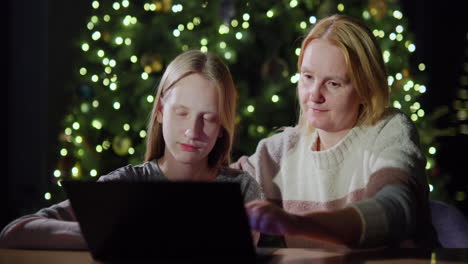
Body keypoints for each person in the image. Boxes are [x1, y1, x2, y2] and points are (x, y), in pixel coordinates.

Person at [0, 50, 262, 249]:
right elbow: (16, 231)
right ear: (160, 111)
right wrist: (111, 232)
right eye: (181, 113)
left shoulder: (242, 190)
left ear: (223, 126)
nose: (193, 131)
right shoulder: (124, 185)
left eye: (209, 118)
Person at [232, 14, 439, 248]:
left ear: (365, 89)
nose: (314, 95)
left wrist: (298, 224)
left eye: (333, 83)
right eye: (308, 77)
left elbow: (395, 208)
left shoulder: (389, 131)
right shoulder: (282, 149)